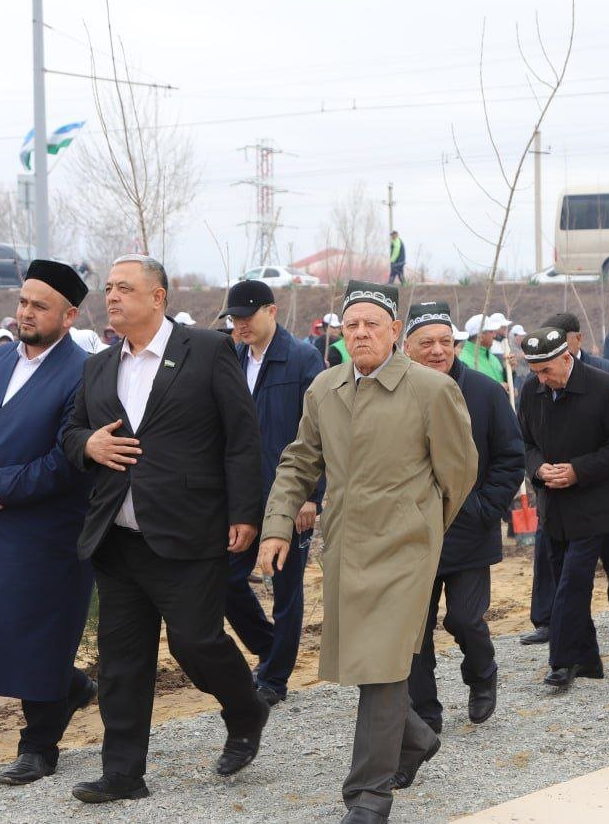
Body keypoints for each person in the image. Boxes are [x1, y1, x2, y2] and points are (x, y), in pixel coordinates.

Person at [257, 280, 476, 824]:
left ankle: (368, 795)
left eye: (371, 325)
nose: (359, 334)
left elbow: (459, 472)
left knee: (383, 666)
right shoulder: (325, 389)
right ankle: (418, 737)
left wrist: (424, 526)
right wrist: (278, 526)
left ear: (394, 332)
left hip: (406, 550)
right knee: (364, 659)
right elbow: (298, 462)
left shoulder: (430, 389)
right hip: (345, 549)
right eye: (350, 325)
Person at [60, 255, 268, 803]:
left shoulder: (206, 350)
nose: (111, 296)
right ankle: (123, 774)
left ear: (158, 297)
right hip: (117, 538)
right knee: (122, 661)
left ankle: (245, 708)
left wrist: (246, 513)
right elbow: (71, 430)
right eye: (108, 288)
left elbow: (242, 437)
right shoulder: (99, 365)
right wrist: (87, 444)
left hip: (188, 533)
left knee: (196, 644)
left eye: (124, 288)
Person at [0, 261, 97, 787]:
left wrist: (3, 489)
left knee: (38, 631)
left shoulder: (84, 373)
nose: (26, 312)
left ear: (69, 316)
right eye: (24, 301)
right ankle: (71, 687)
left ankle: (39, 746)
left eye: (40, 306)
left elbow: (69, 459)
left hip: (45, 530)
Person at [403, 301, 524, 735]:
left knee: (463, 619)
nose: (438, 350)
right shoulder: (395, 393)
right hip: (412, 535)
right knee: (413, 633)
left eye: (445, 341)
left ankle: (482, 675)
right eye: (427, 342)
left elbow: (511, 459)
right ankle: (426, 711)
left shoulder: (486, 393)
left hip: (469, 531)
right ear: (407, 347)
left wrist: (481, 508)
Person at [220, 279, 324, 706]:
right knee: (226, 580)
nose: (240, 327)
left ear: (272, 311)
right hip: (242, 498)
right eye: (234, 320)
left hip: (288, 496)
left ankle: (275, 679)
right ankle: (270, 647)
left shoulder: (301, 358)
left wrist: (311, 494)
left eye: (247, 318)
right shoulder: (232, 357)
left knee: (285, 590)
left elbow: (322, 432)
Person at [517, 327, 609, 690]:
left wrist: (578, 471)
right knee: (565, 580)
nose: (542, 379)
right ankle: (588, 660)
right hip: (553, 505)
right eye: (536, 372)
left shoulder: (604, 386)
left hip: (594, 505)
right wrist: (538, 468)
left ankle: (562, 662)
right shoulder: (532, 391)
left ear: (567, 358)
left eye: (548, 371)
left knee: (571, 584)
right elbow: (525, 443)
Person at [460, 313, 507, 384]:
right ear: (481, 336)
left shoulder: (493, 358)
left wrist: (509, 371)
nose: (494, 335)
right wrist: (497, 389)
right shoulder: (463, 362)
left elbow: (502, 382)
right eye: (491, 332)